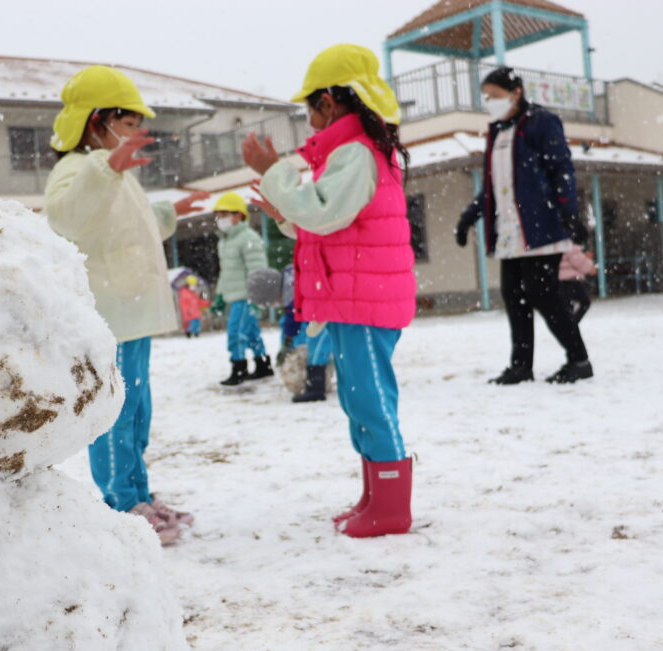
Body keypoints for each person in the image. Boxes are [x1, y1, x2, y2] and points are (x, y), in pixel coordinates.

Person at [244, 44, 415, 538]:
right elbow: (332, 225)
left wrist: (274, 172)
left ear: (330, 100)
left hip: (364, 302)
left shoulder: (356, 153)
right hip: (352, 298)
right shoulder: (351, 153)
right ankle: (374, 497)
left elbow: (324, 213)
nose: (310, 122)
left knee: (371, 401)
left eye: (310, 108)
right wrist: (285, 213)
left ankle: (391, 509)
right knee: (358, 402)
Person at [44, 65, 209, 545]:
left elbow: (126, 227)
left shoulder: (112, 172)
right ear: (98, 121)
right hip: (108, 314)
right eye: (129, 123)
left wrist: (167, 212)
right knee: (113, 411)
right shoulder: (77, 169)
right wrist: (107, 167)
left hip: (131, 309)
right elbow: (68, 216)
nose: (136, 134)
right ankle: (120, 504)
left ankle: (138, 493)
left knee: (136, 409)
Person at [455, 67, 593, 385]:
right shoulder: (497, 131)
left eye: (495, 95)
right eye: (486, 97)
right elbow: (492, 184)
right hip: (509, 230)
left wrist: (569, 211)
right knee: (513, 296)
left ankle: (579, 360)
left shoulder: (542, 122)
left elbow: (561, 169)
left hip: (540, 226)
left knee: (543, 295)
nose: (490, 102)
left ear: (516, 91)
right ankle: (521, 366)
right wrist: (469, 216)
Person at [212, 192, 274, 385]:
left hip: (246, 295)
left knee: (236, 332)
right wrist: (220, 295)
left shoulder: (248, 237)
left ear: (238, 215)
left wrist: (257, 295)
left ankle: (239, 368)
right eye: (218, 215)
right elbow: (226, 271)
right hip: (234, 295)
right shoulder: (225, 241)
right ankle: (263, 365)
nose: (220, 219)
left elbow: (257, 268)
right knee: (251, 332)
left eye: (224, 214)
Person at [559, 245, 597, 323]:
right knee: (585, 302)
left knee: (567, 306)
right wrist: (590, 266)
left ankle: (569, 325)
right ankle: (572, 325)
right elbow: (580, 263)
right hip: (571, 281)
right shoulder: (570, 247)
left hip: (559, 281)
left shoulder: (557, 246)